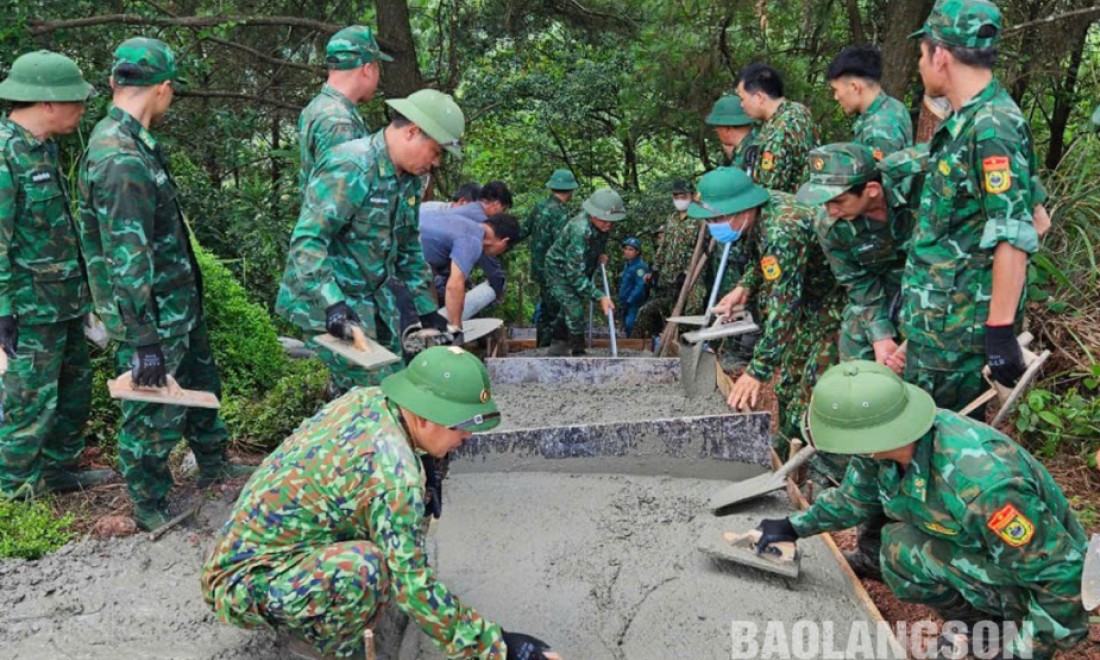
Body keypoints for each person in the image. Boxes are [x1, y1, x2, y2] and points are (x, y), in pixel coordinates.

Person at [201, 346, 560, 660]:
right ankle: (325, 647)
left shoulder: (370, 400)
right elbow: (412, 584)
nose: (466, 437)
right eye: (459, 426)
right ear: (422, 416)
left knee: (392, 541)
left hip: (257, 550)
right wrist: (499, 647)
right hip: (246, 583)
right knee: (368, 569)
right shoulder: (394, 474)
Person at [751, 360, 1089, 660]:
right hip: (988, 552)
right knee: (897, 548)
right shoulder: (887, 445)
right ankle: (981, 626)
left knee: (906, 549)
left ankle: (1007, 630)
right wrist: (792, 527)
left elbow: (1064, 583)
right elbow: (854, 499)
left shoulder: (983, 487)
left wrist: (1021, 654)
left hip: (1032, 579)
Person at [76, 38, 252, 529]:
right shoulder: (120, 158)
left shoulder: (133, 142)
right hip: (152, 313)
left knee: (199, 381)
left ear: (115, 82)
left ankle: (213, 464)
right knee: (151, 408)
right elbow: (126, 258)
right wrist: (143, 339)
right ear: (164, 89)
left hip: (176, 302)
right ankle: (149, 503)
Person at [902, 0, 1044, 413]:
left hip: (958, 341)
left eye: (921, 55)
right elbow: (1038, 215)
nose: (919, 66)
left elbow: (1016, 233)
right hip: (939, 329)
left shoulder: (992, 126)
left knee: (943, 453)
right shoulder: (969, 121)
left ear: (940, 55)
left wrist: (998, 332)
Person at [276, 88, 463, 392]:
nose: (437, 163)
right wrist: (332, 302)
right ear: (412, 132)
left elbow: (408, 249)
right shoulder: (351, 166)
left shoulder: (410, 182)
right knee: (377, 394)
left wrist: (426, 309)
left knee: (400, 383)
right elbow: (308, 241)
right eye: (436, 151)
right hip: (326, 304)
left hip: (372, 302)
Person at [0, 51, 114, 499]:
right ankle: (14, 494)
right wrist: (3, 312)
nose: (82, 110)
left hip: (63, 302)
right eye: (75, 100)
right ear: (47, 102)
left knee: (73, 391)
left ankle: (59, 472)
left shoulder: (43, 148)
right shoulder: (5, 155)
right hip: (28, 311)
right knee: (28, 401)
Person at [703, 168, 843, 469]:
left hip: (837, 305)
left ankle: (822, 467)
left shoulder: (782, 229)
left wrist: (757, 372)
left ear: (740, 208)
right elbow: (762, 261)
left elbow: (784, 308)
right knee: (788, 384)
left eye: (716, 219)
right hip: (810, 305)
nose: (713, 226)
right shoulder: (761, 214)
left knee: (816, 388)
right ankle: (783, 450)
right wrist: (743, 287)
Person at [797, 143, 910, 368]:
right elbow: (857, 281)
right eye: (825, 202)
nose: (831, 211)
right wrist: (881, 337)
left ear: (872, 190)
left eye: (837, 201)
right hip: (880, 287)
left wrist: (918, 329)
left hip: (936, 284)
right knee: (856, 355)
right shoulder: (830, 226)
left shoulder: (916, 186)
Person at [297, 25, 391, 189]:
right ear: (368, 70)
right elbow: (340, 198)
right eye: (377, 68)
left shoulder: (319, 106)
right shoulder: (339, 122)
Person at [543, 188, 624, 356]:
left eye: (611, 221)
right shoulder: (580, 230)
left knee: (570, 307)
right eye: (604, 220)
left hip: (578, 267)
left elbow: (599, 242)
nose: (608, 224)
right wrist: (600, 296)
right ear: (593, 214)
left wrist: (600, 254)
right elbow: (573, 275)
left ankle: (557, 345)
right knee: (574, 308)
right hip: (558, 269)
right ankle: (578, 351)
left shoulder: (602, 226)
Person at [419, 210, 520, 328]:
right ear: (504, 242)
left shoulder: (465, 225)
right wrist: (456, 328)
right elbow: (454, 286)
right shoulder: (472, 240)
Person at [631, 179, 702, 340]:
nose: (679, 199)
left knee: (692, 310)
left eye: (683, 196)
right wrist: (655, 269)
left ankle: (688, 344)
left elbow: (702, 249)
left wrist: (687, 272)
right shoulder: (672, 218)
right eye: (676, 196)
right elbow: (663, 246)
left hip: (692, 276)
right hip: (668, 276)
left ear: (692, 196)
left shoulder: (699, 219)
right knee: (663, 311)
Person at [736, 63, 818, 194]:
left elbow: (769, 191)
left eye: (742, 99)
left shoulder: (777, 136)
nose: (741, 105)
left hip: (789, 210)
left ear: (759, 97)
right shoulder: (799, 110)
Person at [521, 169, 579, 347]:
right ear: (570, 191)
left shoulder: (539, 207)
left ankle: (541, 346)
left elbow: (523, 231)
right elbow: (562, 246)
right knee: (557, 313)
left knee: (546, 310)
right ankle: (551, 349)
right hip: (554, 272)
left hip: (539, 270)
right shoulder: (561, 214)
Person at [826, 45, 913, 158]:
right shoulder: (894, 106)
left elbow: (881, 174)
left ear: (854, 87)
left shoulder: (878, 131)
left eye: (836, 90)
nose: (836, 97)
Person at [705, 94, 759, 170]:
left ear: (726, 129)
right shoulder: (759, 140)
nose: (716, 132)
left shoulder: (748, 156)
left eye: (716, 128)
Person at [618, 237, 648, 336]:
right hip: (625, 300)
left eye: (631, 250)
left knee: (630, 323)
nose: (627, 252)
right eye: (626, 249)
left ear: (637, 252)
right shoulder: (628, 264)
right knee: (624, 324)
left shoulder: (639, 267)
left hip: (633, 302)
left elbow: (640, 285)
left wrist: (630, 300)